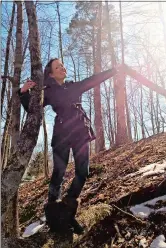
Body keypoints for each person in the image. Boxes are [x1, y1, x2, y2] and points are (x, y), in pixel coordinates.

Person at [18, 58, 123, 233]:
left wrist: (113, 70)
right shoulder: (48, 91)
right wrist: (23, 92)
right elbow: (32, 107)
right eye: (58, 67)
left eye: (63, 65)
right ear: (50, 74)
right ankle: (53, 215)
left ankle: (67, 212)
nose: (62, 68)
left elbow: (93, 80)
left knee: (83, 172)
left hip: (80, 132)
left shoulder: (75, 86)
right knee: (58, 173)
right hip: (61, 134)